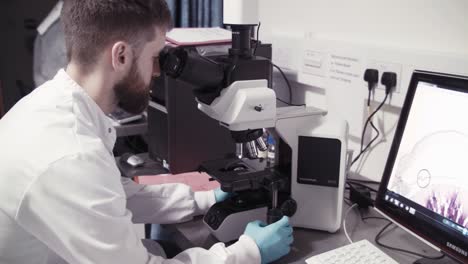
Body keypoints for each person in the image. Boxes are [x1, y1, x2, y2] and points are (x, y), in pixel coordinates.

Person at [0, 0, 294, 263]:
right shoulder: (71, 154)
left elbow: (113, 195)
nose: (157, 72)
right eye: (155, 57)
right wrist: (248, 252)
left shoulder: (54, 108)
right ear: (122, 56)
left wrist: (204, 199)